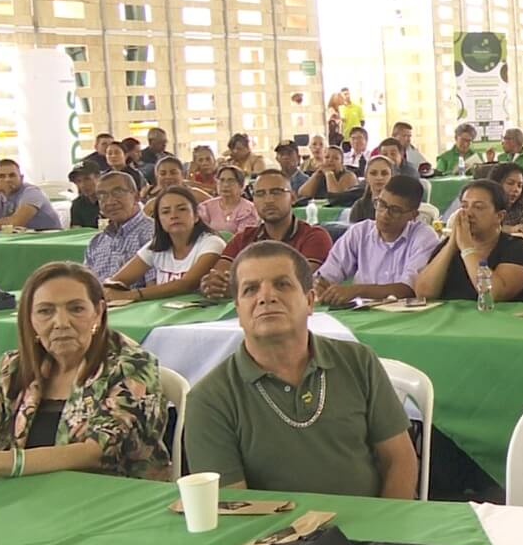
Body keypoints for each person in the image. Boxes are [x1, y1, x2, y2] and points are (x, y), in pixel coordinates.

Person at [186, 242, 418, 498]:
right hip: (271, 536)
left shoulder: (358, 361)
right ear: (238, 310)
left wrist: (385, 532)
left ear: (309, 302)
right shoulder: (208, 399)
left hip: (371, 532)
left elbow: (400, 460)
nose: (266, 296)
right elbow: (233, 506)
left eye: (282, 284)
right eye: (250, 289)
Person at [0, 262, 169, 479]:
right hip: (25, 495)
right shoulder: (15, 365)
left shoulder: (132, 364)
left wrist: (1, 462)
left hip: (109, 498)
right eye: (45, 311)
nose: (61, 322)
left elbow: (98, 451)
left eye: (76, 309)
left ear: (98, 312)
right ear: (29, 318)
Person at [199, 171, 333, 299]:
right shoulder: (243, 238)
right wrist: (213, 284)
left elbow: (300, 280)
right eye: (260, 194)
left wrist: (241, 286)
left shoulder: (314, 236)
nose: (268, 200)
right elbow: (219, 274)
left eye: (276, 192)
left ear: (292, 198)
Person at [313, 174, 439, 304]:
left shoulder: (424, 237)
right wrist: (319, 284)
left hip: (404, 316)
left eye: (395, 210)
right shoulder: (360, 232)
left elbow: (409, 289)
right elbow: (328, 273)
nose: (384, 214)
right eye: (381, 204)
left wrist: (357, 290)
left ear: (413, 215)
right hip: (362, 313)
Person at [414, 180, 523, 302]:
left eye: (478, 207)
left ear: (499, 216)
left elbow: (493, 294)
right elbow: (423, 293)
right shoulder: (450, 245)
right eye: (464, 206)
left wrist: (467, 248)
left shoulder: (517, 248)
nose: (468, 213)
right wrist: (451, 244)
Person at [103, 187, 225, 301]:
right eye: (166, 212)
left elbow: (187, 284)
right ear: (158, 220)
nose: (174, 216)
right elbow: (119, 280)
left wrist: (132, 295)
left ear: (196, 216)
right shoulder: (155, 246)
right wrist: (110, 289)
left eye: (182, 209)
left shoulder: (212, 243)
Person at [83, 172, 155, 283]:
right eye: (102, 196)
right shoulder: (97, 242)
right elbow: (86, 285)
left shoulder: (152, 234)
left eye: (118, 193)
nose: (110, 202)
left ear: (136, 196)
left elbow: (154, 287)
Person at [0, 159, 62, 231]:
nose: (7, 180)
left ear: (21, 178)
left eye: (12, 175)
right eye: (1, 176)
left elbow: (15, 223)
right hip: (16, 240)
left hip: (47, 238)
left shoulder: (31, 192)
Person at [196, 165, 259, 234]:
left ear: (241, 185)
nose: (225, 185)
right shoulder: (206, 207)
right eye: (222, 180)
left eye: (231, 180)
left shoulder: (248, 210)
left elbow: (243, 239)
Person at [487, 161, 523, 234]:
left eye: (519, 185)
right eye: (510, 183)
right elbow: (481, 228)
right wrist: (510, 229)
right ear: (496, 183)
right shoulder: (484, 205)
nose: (516, 189)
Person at [346, 155, 392, 225]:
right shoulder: (359, 206)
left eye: (384, 173)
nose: (379, 177)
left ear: (392, 176)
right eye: (373, 173)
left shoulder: (401, 205)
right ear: (366, 177)